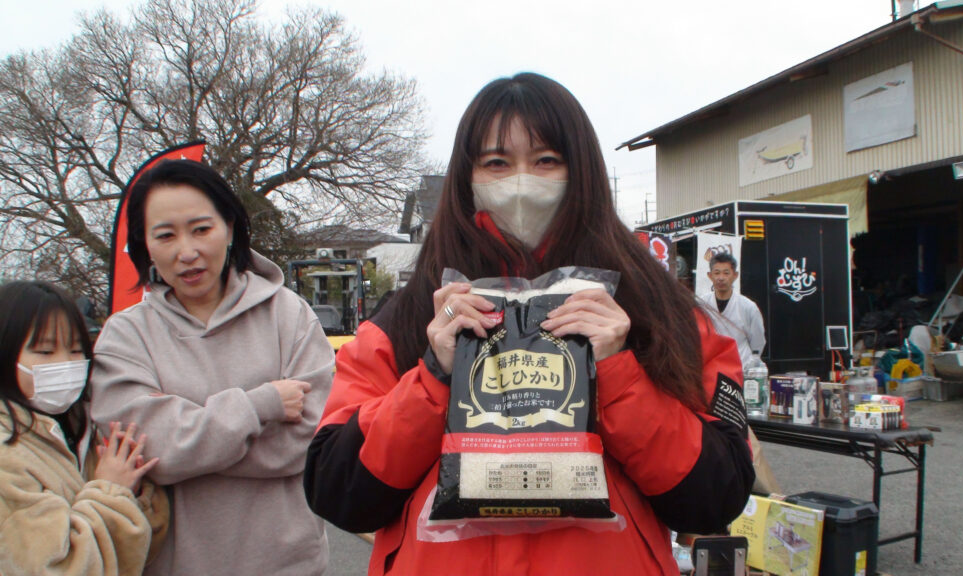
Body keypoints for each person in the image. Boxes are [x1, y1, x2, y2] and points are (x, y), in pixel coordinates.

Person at [304, 72, 754, 575]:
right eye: (497, 163)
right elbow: (337, 491)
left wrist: (621, 376)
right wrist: (431, 379)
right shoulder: (409, 318)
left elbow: (718, 497)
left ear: (581, 170)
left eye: (546, 160)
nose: (521, 181)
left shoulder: (661, 310)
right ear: (466, 177)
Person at [89, 160, 335, 575]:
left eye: (201, 229)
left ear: (230, 227)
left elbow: (311, 440)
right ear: (144, 244)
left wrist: (185, 445)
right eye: (165, 235)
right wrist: (258, 407)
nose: (187, 252)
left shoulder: (289, 315)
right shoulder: (126, 335)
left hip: (288, 562)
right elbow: (144, 449)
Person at [0, 280, 165, 575]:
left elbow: (140, 553)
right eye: (45, 351)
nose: (65, 364)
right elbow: (57, 567)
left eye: (76, 350)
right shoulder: (7, 455)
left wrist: (137, 491)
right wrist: (112, 491)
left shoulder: (84, 429)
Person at [700, 252, 766, 370]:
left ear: (735, 275)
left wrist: (750, 363)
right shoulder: (701, 304)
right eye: (717, 273)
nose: (721, 278)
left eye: (726, 273)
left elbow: (758, 342)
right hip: (711, 366)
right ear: (710, 275)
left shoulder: (748, 307)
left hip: (741, 366)